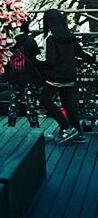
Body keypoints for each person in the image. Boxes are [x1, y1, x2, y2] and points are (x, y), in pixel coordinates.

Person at [40, 9, 93, 143]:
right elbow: (80, 52)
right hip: (70, 74)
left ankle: (67, 127)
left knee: (45, 99)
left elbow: (51, 60)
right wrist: (93, 59)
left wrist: (39, 61)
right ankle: (77, 133)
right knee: (69, 103)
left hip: (56, 76)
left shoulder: (51, 38)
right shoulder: (69, 35)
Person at [6, 20, 42, 127]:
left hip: (14, 75)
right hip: (28, 75)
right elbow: (37, 59)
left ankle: (11, 123)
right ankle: (34, 124)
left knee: (14, 101)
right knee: (30, 101)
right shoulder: (30, 41)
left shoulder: (10, 42)